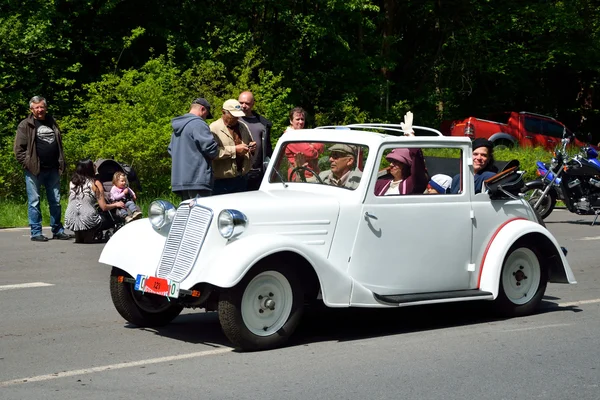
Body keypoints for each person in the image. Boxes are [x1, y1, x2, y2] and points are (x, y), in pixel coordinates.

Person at [13, 95, 72, 242]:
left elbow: (58, 143)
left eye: (42, 107)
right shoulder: (25, 125)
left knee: (56, 201)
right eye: (36, 107)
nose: (40, 110)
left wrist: (61, 162)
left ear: (45, 107)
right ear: (31, 109)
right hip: (34, 170)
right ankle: (36, 232)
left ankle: (58, 230)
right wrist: (28, 163)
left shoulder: (52, 121)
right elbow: (18, 150)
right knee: (34, 201)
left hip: (53, 168)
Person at [168, 97, 219, 201]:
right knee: (201, 214)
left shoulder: (177, 127)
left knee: (188, 214)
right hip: (198, 179)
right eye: (206, 115)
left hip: (180, 180)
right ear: (203, 109)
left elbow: (171, 150)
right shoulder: (198, 123)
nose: (205, 118)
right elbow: (211, 149)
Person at [64, 159, 125, 243]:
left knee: (81, 216)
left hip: (70, 218)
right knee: (113, 219)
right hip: (88, 219)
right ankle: (89, 232)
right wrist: (116, 204)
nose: (95, 166)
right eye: (93, 165)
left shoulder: (72, 182)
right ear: (89, 168)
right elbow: (103, 207)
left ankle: (80, 234)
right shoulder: (95, 183)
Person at [210, 99, 256, 195]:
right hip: (222, 181)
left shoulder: (243, 126)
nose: (237, 118)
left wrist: (252, 147)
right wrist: (235, 150)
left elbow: (250, 142)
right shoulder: (213, 128)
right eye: (233, 116)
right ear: (223, 112)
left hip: (242, 178)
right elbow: (212, 153)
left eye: (238, 116)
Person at [238, 91, 273, 190]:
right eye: (241, 103)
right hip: (238, 172)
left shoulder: (263, 123)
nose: (244, 106)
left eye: (247, 103)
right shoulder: (234, 121)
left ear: (253, 104)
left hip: (257, 171)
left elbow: (268, 148)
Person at [283, 107, 324, 181]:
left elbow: (321, 145)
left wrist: (312, 146)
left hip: (312, 174)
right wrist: (311, 147)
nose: (301, 122)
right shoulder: (290, 136)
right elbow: (310, 153)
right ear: (291, 121)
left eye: (302, 119)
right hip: (300, 177)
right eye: (297, 119)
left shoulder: (302, 133)